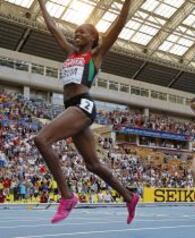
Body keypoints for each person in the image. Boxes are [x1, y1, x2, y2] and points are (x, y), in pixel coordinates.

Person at [34, 0, 139, 224]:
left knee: (42, 139)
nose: (76, 33)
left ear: (93, 38)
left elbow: (119, 25)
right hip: (72, 108)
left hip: (83, 105)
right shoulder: (71, 52)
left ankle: (68, 197)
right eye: (75, 31)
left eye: (82, 31)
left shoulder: (96, 55)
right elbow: (53, 27)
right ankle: (129, 197)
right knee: (93, 165)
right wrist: (42, 3)